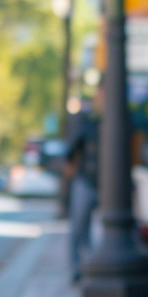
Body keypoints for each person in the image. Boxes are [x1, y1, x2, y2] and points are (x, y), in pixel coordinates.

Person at [63, 109, 100, 282]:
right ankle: (77, 268)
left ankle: (90, 265)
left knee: (87, 228)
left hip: (105, 183)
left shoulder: (114, 121)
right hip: (85, 179)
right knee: (79, 226)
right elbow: (72, 151)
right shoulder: (88, 123)